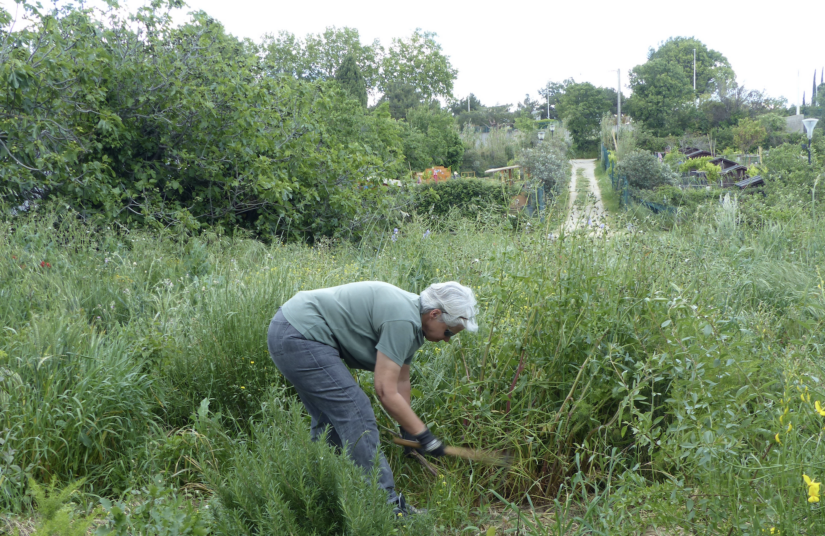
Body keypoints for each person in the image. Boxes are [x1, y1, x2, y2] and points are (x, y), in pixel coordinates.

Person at [267, 281, 478, 516]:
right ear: (434, 314)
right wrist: (425, 436)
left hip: (292, 329)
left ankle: (323, 495)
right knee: (355, 410)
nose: (447, 339)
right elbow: (385, 391)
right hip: (299, 334)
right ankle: (386, 507)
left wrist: (408, 430)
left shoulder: (412, 319)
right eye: (448, 332)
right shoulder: (403, 320)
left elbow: (400, 381)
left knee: (330, 424)